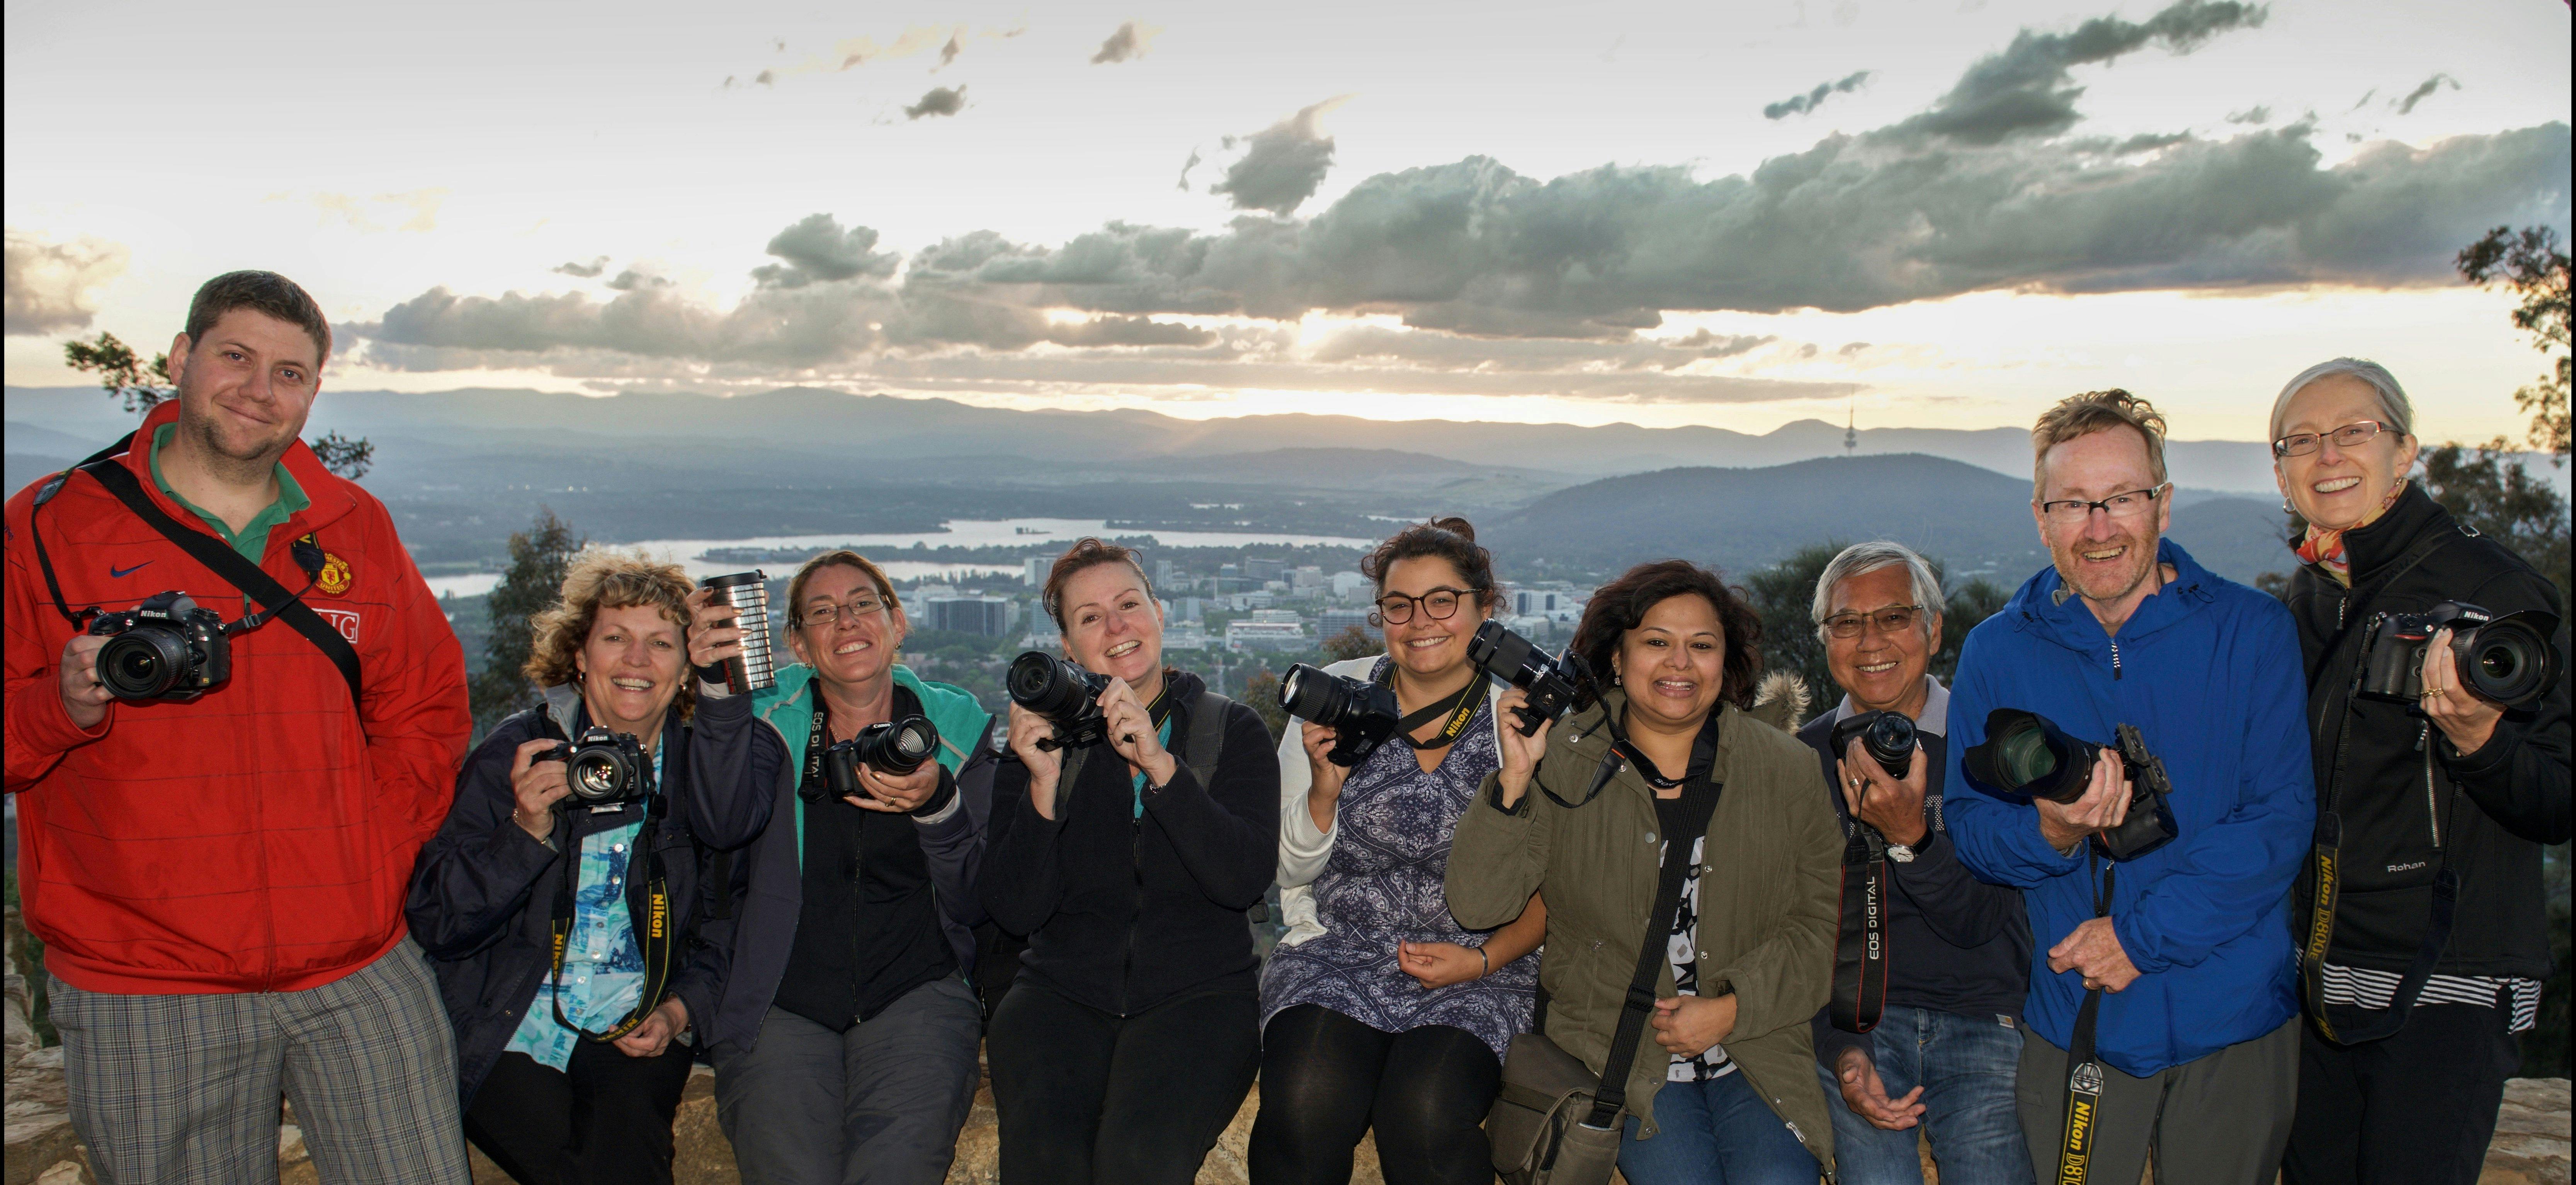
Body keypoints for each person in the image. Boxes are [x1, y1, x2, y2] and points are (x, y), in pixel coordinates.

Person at [4, 271, 474, 1183]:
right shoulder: (50, 525)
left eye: (291, 373)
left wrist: (368, 856)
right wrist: (61, 705)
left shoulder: (350, 527)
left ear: (313, 393)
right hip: (146, 981)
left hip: (355, 963)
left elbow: (425, 707)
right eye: (236, 357)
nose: (261, 390)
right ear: (180, 359)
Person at [1942, 390, 2313, 1183]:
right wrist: (2050, 832)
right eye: (2072, 503)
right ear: (2041, 519)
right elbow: (1969, 826)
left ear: (2163, 505)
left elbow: (2278, 822)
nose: (2099, 526)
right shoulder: (1996, 652)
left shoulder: (2250, 631)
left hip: (2235, 1021)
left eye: (2121, 499)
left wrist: (2139, 939)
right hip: (2077, 1020)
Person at [2265, 360, 2571, 1185]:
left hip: (2450, 981)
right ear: (2280, 470)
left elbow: (2556, 796)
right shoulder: (2310, 595)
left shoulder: (2496, 591)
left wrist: (2479, 738)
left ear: (2405, 451)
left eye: (2352, 432)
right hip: (2322, 979)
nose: (2326, 454)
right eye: (2300, 440)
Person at [1448, 560, 1841, 1185]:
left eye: (1702, 646)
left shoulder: (1787, 770)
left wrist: (1733, 1007)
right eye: (1657, 642)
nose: (1680, 664)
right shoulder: (1567, 761)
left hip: (1757, 1046)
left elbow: (1823, 926)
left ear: (1727, 661)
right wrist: (1516, 778)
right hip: (1621, 1055)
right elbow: (1477, 904)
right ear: (1617, 656)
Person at [407, 552, 775, 1185]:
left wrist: (679, 1012)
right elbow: (439, 921)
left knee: (627, 1127)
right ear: (579, 656)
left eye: (661, 642)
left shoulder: (704, 775)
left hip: (636, 1019)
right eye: (615, 638)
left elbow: (729, 922)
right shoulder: (519, 754)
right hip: (508, 1021)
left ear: (688, 664)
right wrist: (525, 833)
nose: (637, 661)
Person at [1253, 517, 1546, 1185]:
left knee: (1424, 1112)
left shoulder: (1521, 718)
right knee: (1303, 1100)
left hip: (1485, 966)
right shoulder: (1338, 695)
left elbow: (1558, 889)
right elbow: (1282, 869)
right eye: (1399, 604)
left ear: (1485, 609)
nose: (1421, 622)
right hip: (1342, 950)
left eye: (1443, 600)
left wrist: (1478, 962)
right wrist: (1324, 794)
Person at [978, 538, 1278, 1185]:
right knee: (1044, 1165)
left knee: (1138, 1164)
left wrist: (1162, 769)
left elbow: (1243, 879)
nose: (1116, 627)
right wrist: (1041, 785)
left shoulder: (1230, 730)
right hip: (1059, 994)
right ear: (1066, 645)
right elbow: (1014, 908)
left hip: (1199, 997)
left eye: (1128, 604)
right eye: (1089, 617)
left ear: (1160, 613)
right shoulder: (1041, 742)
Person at [697, 550, 999, 1185]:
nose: (847, 622)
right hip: (781, 998)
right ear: (798, 643)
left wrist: (938, 808)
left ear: (898, 622)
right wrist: (722, 699)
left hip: (918, 992)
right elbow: (721, 826)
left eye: (864, 604)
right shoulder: (766, 721)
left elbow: (982, 900)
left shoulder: (956, 726)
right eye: (823, 612)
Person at [1796, 542, 2033, 1185]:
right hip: (1858, 1022)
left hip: (1982, 1016)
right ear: (1825, 640)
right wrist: (1842, 1051)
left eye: (1894, 617)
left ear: (1933, 628)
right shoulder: (1801, 760)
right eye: (1847, 622)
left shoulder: (1991, 748)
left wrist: (1912, 837)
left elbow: (1987, 920)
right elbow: (1796, 933)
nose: (1870, 640)